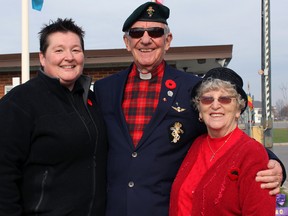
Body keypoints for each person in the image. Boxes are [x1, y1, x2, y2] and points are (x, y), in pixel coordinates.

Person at [93, 2, 285, 215]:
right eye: (137, 33)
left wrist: (272, 162)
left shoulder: (192, 89)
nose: (146, 40)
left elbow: (222, 132)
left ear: (168, 41)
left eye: (155, 32)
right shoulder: (105, 89)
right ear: (127, 42)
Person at [0, 18, 107, 215]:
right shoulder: (20, 102)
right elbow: (4, 175)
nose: (69, 57)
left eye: (75, 50)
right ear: (42, 58)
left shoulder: (91, 100)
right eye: (59, 50)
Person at [169, 67, 276, 215]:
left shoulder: (252, 153)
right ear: (200, 109)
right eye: (207, 99)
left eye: (224, 99)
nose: (215, 105)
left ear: (238, 109)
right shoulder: (195, 144)